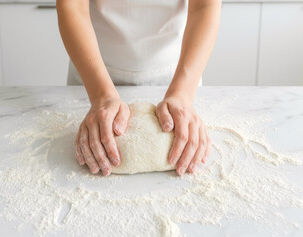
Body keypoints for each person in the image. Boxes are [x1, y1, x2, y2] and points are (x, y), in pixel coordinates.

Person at [57, 0, 221, 176]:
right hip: (92, 72)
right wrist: (100, 95)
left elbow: (204, 6)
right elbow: (72, 6)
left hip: (179, 72)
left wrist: (183, 95)